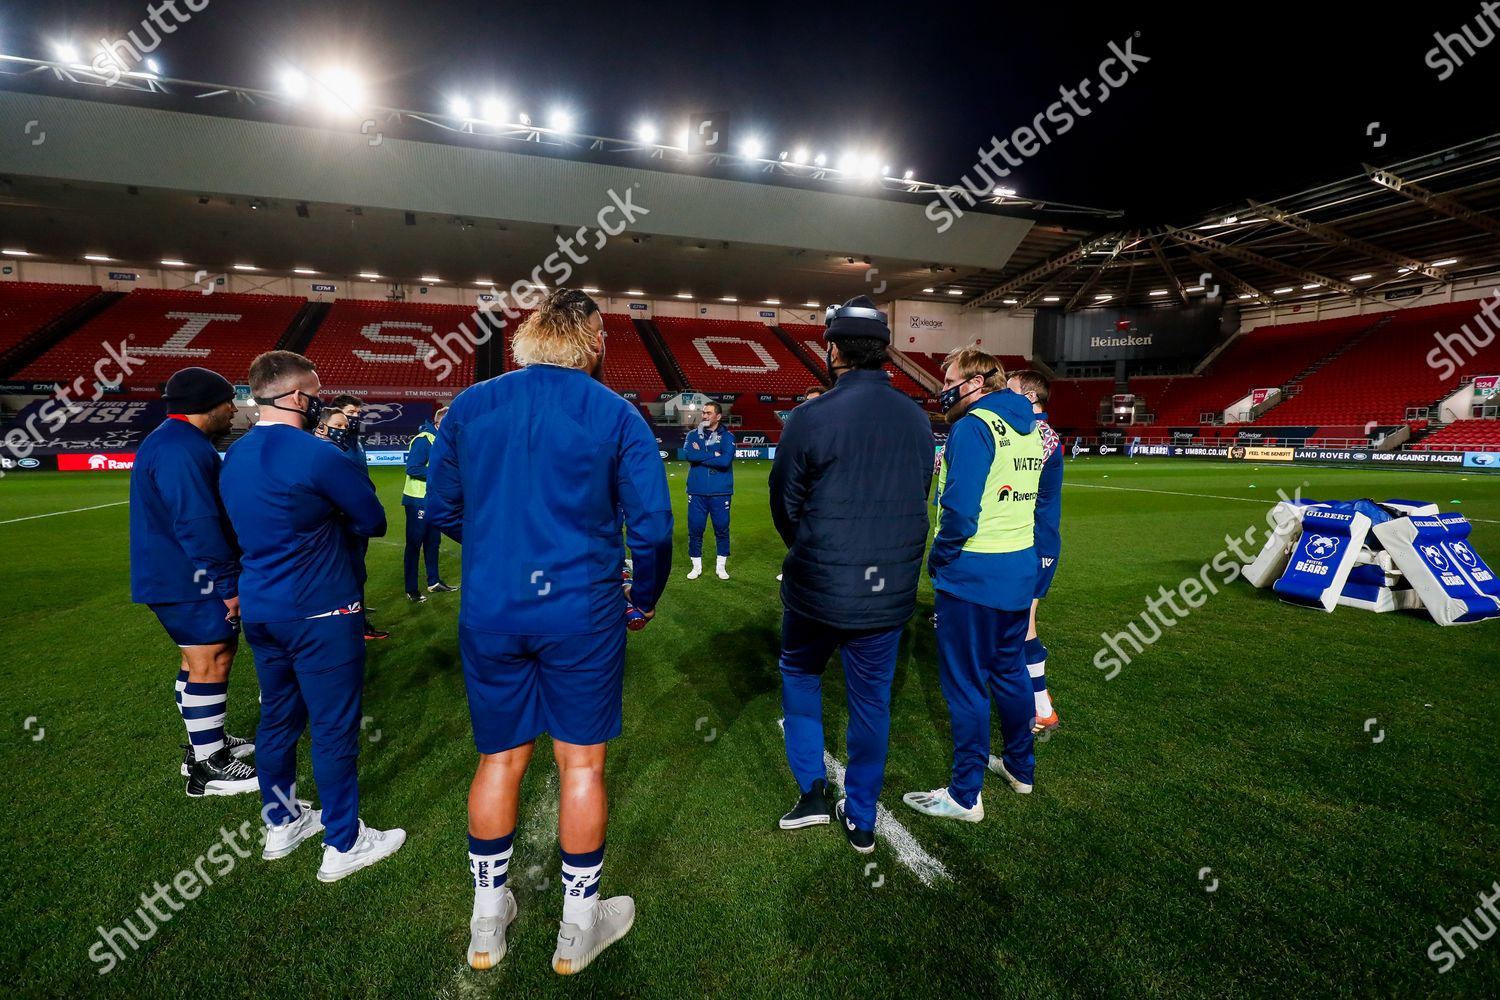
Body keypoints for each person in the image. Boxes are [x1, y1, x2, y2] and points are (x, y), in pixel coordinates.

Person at [426, 289, 673, 976]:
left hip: (494, 606)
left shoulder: (473, 404)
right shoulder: (613, 412)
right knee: (581, 765)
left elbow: (442, 506)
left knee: (500, 760)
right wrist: (642, 599)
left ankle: (487, 921)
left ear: (528, 337)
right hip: (583, 609)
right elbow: (652, 527)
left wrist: (498, 550)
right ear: (592, 340)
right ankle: (575, 928)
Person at [221, 351, 405, 882]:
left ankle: (281, 821)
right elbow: (371, 520)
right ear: (300, 397)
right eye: (317, 390)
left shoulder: (236, 454)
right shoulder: (316, 454)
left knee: (277, 718)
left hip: (262, 607)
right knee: (332, 726)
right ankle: (344, 842)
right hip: (321, 608)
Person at [769, 297, 934, 853]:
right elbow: (922, 494)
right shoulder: (917, 417)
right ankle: (861, 818)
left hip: (817, 588)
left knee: (800, 676)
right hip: (887, 590)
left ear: (833, 350)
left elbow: (784, 503)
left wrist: (812, 550)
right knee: (871, 703)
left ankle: (812, 795)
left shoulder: (812, 416)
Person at [903, 346, 1044, 822]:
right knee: (1009, 671)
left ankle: (965, 795)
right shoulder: (1031, 427)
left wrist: (939, 559)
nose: (942, 389)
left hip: (974, 572)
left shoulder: (972, 427)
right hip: (1017, 567)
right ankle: (1021, 768)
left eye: (949, 379)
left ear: (977, 382)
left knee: (965, 684)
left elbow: (960, 511)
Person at [129, 367, 258, 797]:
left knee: (198, 658)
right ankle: (208, 766)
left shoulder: (172, 440)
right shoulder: (182, 447)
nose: (233, 411)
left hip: (175, 574)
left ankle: (206, 745)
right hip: (188, 576)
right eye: (229, 403)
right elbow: (196, 521)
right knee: (212, 658)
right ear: (212, 404)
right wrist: (228, 583)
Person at [1007, 370, 1063, 734]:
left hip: (1035, 544)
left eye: (1009, 392)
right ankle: (1037, 700)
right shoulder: (1031, 431)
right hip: (1029, 541)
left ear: (1029, 398)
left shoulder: (1040, 435)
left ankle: (1042, 708)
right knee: (1019, 622)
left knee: (1023, 624)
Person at [328, 394, 388, 641]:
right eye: (350, 413)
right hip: (344, 522)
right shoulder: (332, 447)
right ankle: (354, 624)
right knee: (350, 572)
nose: (355, 418)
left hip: (357, 520)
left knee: (357, 571)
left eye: (356, 414)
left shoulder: (354, 442)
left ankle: (356, 614)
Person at [401, 406, 458, 602]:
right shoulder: (424, 440)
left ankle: (434, 582)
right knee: (414, 545)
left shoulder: (443, 441)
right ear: (438, 423)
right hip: (417, 501)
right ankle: (412, 588)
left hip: (434, 501)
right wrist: (441, 476)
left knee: (433, 543)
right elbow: (413, 469)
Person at [683, 400, 734, 580]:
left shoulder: (728, 437)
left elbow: (725, 461)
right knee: (695, 529)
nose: (704, 416)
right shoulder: (692, 435)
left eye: (709, 413)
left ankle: (721, 567)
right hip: (696, 492)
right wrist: (714, 454)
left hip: (721, 493)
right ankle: (696, 567)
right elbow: (689, 455)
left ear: (718, 416)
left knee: (721, 529)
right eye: (703, 412)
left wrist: (701, 457)